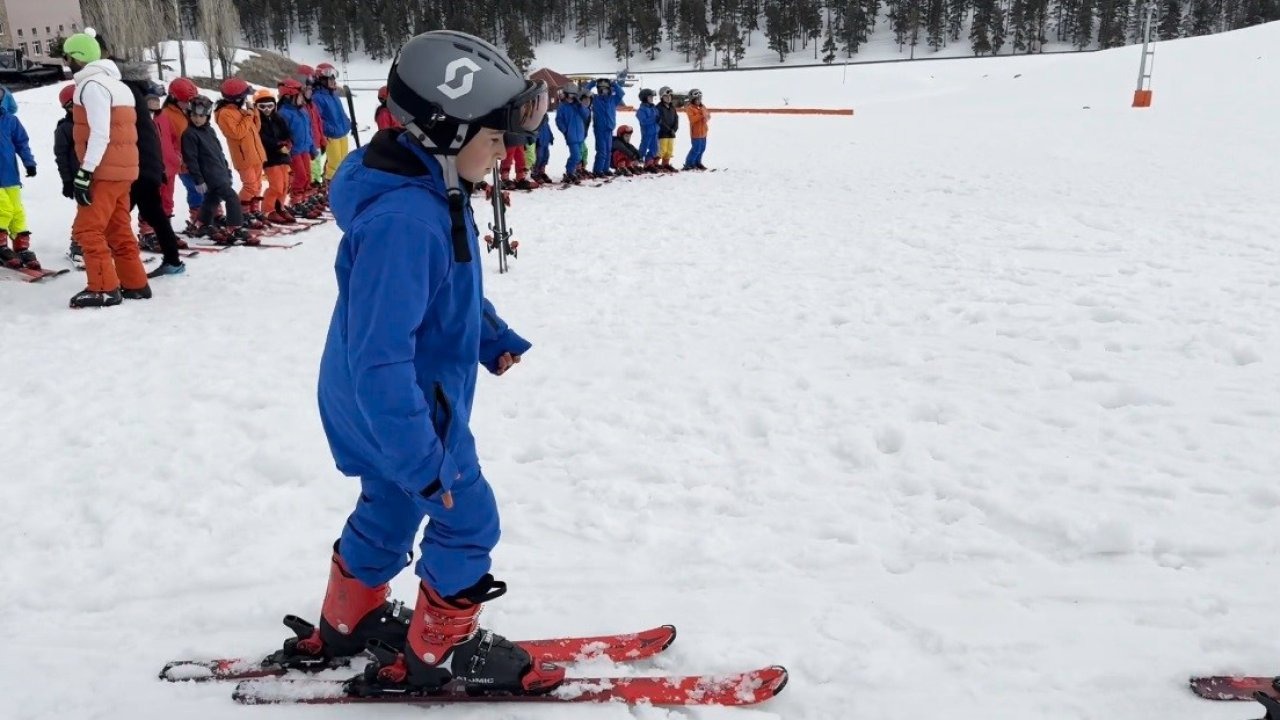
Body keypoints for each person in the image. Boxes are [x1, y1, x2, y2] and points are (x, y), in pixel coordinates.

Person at [308, 29, 560, 698]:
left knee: (389, 504)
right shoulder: (408, 220)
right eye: (495, 135)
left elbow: (444, 292)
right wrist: (424, 458)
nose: (507, 149)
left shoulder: (429, 191)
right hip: (406, 408)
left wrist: (488, 334)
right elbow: (384, 356)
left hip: (372, 405)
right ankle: (441, 652)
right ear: (446, 132)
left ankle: (349, 617)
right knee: (467, 518)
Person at [62, 30, 151, 309]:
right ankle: (135, 283)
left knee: (88, 230)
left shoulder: (91, 87)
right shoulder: (119, 86)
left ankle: (103, 288)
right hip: (124, 170)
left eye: (67, 57)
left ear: (77, 58)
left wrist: (85, 171)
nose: (66, 63)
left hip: (103, 170)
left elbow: (101, 132)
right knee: (118, 228)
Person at [182, 95, 255, 246]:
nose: (197, 119)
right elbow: (191, 159)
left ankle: (201, 224)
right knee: (232, 198)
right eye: (194, 115)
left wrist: (226, 170)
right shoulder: (189, 134)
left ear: (207, 116)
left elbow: (219, 152)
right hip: (209, 176)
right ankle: (234, 227)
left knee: (212, 199)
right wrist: (198, 179)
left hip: (219, 173)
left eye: (201, 116)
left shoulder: (209, 131)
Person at [215, 77, 268, 228]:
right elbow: (237, 133)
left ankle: (253, 210)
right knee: (250, 186)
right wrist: (249, 115)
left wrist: (255, 114)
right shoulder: (225, 114)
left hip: (256, 153)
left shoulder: (241, 111)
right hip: (243, 157)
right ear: (237, 98)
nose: (246, 99)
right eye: (244, 96)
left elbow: (255, 130)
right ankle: (240, 212)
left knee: (257, 185)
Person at [0, 86, 37, 270]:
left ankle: (21, 245)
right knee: (3, 208)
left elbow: (22, 143)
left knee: (16, 210)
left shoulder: (11, 121)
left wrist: (29, 163)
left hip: (10, 175)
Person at [161, 77, 204, 234]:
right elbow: (167, 141)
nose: (189, 104)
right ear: (173, 98)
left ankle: (202, 219)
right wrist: (177, 159)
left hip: (197, 160)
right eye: (186, 101)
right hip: (182, 162)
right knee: (195, 189)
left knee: (203, 189)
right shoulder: (166, 115)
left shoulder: (188, 112)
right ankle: (198, 219)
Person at [277, 78, 321, 219]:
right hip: (294, 151)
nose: (303, 99)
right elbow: (282, 134)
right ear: (290, 97)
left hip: (305, 149)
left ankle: (304, 200)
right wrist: (286, 148)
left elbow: (308, 131)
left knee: (307, 175)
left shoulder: (302, 110)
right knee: (300, 176)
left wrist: (312, 147)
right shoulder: (284, 113)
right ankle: (296, 202)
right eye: (300, 96)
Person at [254, 88, 295, 224]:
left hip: (282, 156)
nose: (266, 109)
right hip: (270, 157)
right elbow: (262, 138)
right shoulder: (258, 121)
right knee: (276, 185)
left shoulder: (278, 119)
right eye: (262, 106)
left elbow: (287, 132)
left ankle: (280, 206)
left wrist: (288, 142)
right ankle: (268, 209)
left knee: (284, 185)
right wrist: (278, 145)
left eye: (270, 106)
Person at [54, 83, 84, 263]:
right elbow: (61, 156)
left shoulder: (94, 122)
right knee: (85, 212)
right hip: (78, 177)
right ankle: (77, 243)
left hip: (99, 175)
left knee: (104, 211)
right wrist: (67, 181)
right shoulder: (65, 128)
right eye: (73, 107)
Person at [312, 63, 353, 184]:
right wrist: (329, 130)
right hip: (331, 136)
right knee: (334, 164)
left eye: (334, 78)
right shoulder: (317, 97)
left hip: (342, 133)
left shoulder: (333, 95)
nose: (333, 81)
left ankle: (340, 183)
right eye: (330, 78)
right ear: (321, 79)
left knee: (343, 161)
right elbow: (317, 119)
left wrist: (347, 122)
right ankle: (330, 184)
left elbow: (341, 112)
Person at [590, 73, 625, 176]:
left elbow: (621, 93)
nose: (603, 91)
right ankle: (598, 170)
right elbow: (584, 92)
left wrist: (614, 84)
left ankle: (605, 169)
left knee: (609, 150)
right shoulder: (595, 99)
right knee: (602, 150)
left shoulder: (612, 100)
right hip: (599, 129)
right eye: (601, 89)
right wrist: (592, 83)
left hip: (609, 128)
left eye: (605, 89)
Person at [554, 84, 586, 185]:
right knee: (576, 156)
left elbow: (586, 114)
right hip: (571, 136)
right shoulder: (562, 106)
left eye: (573, 95)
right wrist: (565, 130)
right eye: (570, 95)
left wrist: (580, 105)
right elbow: (559, 120)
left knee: (579, 156)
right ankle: (570, 172)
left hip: (580, 135)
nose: (571, 97)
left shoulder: (577, 105)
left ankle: (571, 171)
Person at [683, 88, 710, 171]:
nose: (698, 101)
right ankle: (689, 163)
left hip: (703, 132)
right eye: (697, 99)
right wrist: (701, 115)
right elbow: (692, 119)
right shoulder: (690, 108)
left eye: (700, 99)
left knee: (702, 148)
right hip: (696, 133)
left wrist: (706, 117)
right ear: (692, 99)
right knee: (696, 149)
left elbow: (708, 115)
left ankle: (697, 162)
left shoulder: (702, 106)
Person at [635, 88, 659, 172]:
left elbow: (658, 117)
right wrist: (654, 119)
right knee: (643, 148)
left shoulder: (653, 108)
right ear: (644, 98)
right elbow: (643, 121)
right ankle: (636, 162)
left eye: (652, 97)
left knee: (655, 149)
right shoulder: (641, 110)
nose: (652, 99)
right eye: (650, 97)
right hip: (647, 133)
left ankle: (648, 163)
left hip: (655, 132)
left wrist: (659, 121)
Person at [655, 86, 679, 172]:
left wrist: (674, 129)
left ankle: (665, 164)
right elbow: (660, 121)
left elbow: (676, 119)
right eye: (666, 96)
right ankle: (655, 164)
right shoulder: (658, 108)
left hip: (671, 134)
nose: (668, 98)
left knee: (669, 150)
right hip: (663, 133)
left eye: (670, 96)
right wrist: (668, 130)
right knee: (662, 150)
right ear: (662, 97)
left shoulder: (672, 107)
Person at [531, 112, 553, 184]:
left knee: (546, 157)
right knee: (539, 157)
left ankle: (542, 171)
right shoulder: (536, 121)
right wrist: (535, 139)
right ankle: (535, 172)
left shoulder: (546, 122)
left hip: (545, 141)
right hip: (539, 142)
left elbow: (548, 129)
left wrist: (551, 137)